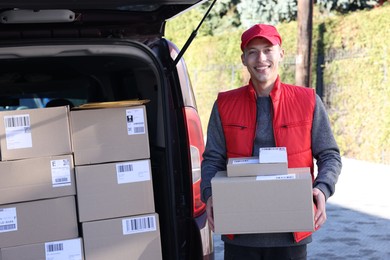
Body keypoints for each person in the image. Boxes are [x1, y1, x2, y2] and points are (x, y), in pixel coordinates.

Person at [200, 24, 342, 260]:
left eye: (268, 49)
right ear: (244, 58)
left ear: (281, 54)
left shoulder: (307, 101)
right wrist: (209, 194)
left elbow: (330, 155)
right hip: (240, 231)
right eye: (253, 51)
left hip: (291, 231)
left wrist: (322, 189)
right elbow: (213, 159)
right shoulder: (225, 104)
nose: (261, 58)